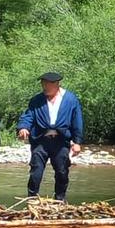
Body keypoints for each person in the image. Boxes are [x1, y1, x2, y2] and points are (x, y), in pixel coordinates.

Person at [17, 71, 85, 203]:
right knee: (36, 171)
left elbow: (77, 120)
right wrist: (23, 127)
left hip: (61, 141)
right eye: (43, 84)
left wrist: (77, 142)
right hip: (40, 141)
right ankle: (32, 198)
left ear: (56, 84)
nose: (44, 87)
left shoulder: (70, 99)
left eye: (47, 85)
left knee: (62, 171)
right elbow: (28, 116)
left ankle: (60, 199)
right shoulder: (37, 100)